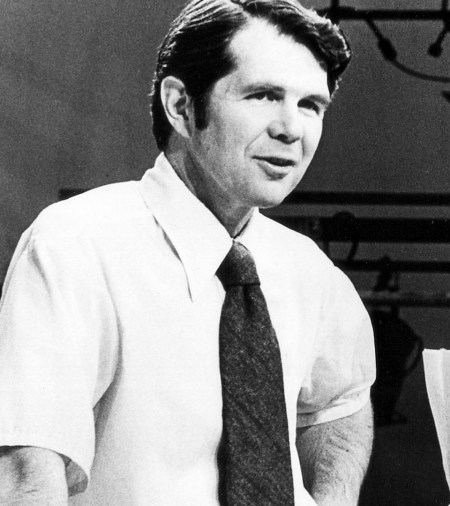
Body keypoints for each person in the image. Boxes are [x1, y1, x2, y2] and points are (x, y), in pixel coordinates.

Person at [0, 1, 375, 505]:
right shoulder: (75, 246)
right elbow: (27, 472)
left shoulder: (309, 271)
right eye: (263, 95)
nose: (292, 128)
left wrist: (335, 498)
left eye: (311, 105)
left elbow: (340, 404)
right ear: (180, 106)